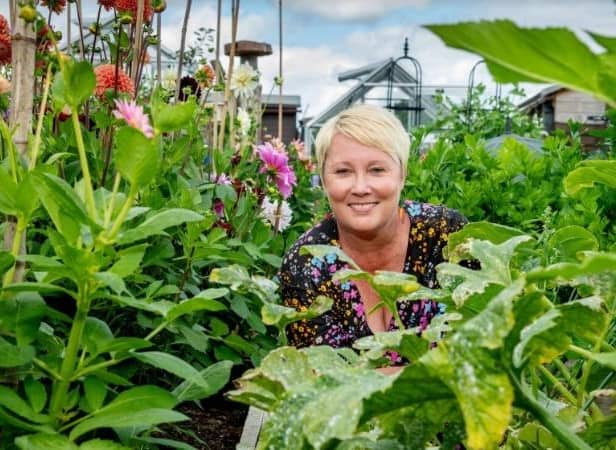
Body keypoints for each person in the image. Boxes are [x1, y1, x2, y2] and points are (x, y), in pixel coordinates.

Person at [279, 104, 469, 351]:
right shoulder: (305, 262)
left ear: (402, 174)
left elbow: (478, 347)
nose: (360, 187)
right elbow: (319, 377)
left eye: (377, 170)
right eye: (343, 171)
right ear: (324, 181)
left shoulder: (446, 235)